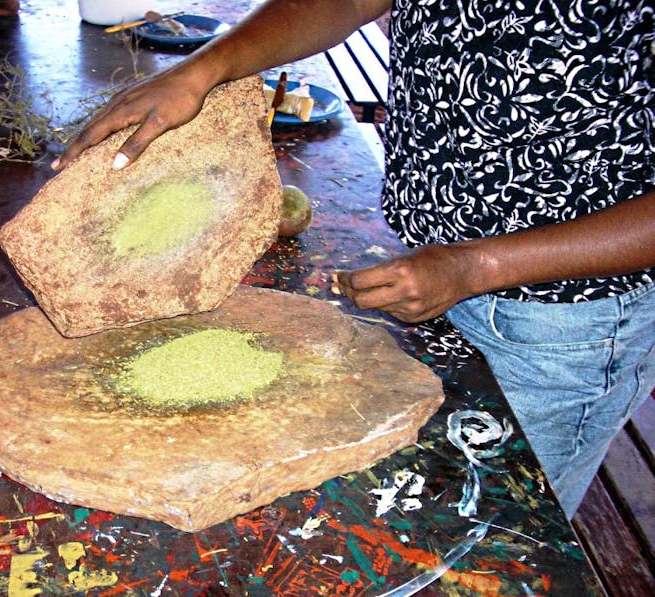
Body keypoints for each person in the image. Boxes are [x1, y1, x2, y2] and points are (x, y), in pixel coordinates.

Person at [51, 0, 655, 519]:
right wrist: (203, 68)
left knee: (495, 525)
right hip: (434, 266)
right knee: (410, 496)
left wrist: (479, 267)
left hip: (566, 321)